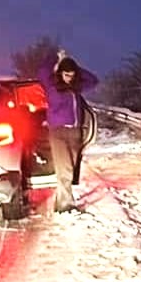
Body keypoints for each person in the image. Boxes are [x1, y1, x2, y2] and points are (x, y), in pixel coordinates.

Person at [42, 49, 98, 213]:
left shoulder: (76, 87)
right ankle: (66, 205)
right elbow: (42, 70)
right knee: (64, 168)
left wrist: (76, 68)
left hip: (75, 132)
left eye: (72, 75)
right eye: (66, 74)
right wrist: (55, 57)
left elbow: (93, 80)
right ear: (60, 73)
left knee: (71, 169)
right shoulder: (51, 85)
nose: (69, 78)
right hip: (57, 132)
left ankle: (60, 202)